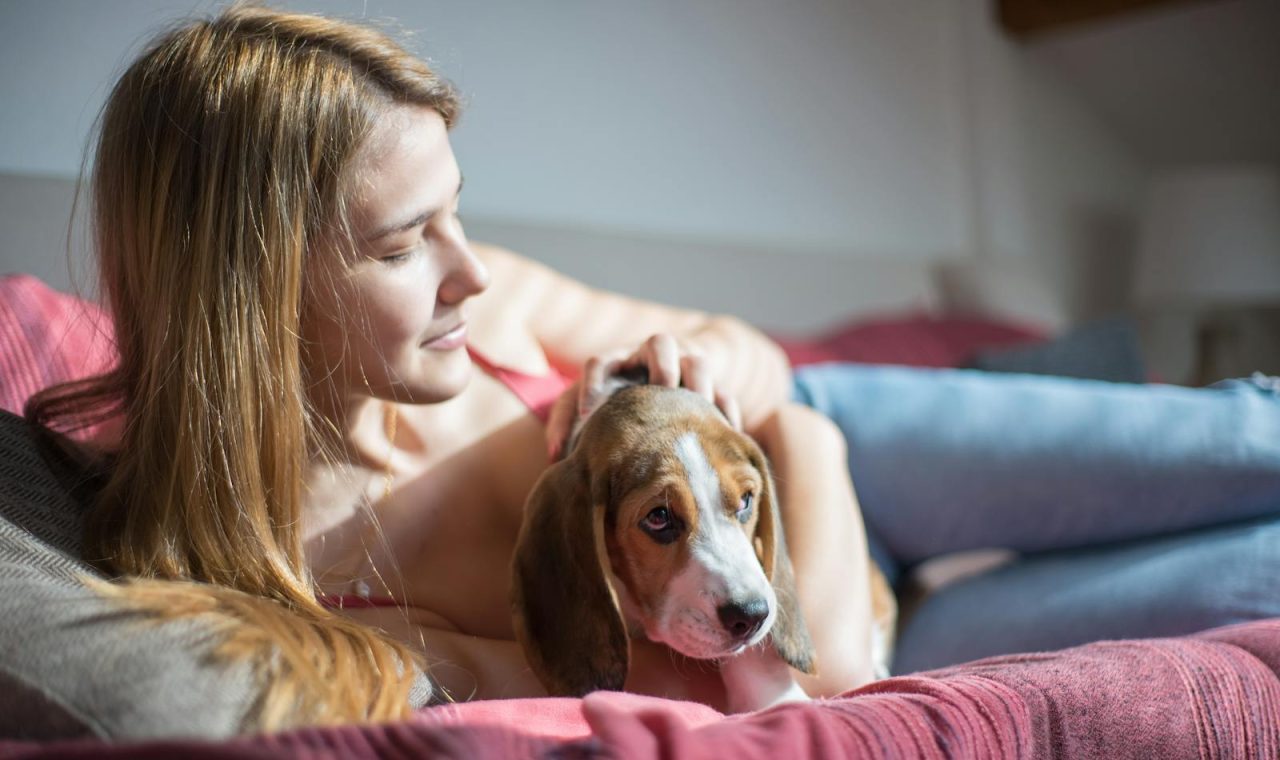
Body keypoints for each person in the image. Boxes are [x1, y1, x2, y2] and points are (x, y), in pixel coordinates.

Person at [25, 4, 1280, 735]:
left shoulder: (489, 299)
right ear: (254, 293)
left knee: (1243, 439)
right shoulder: (294, 577)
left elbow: (757, 362)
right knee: (1254, 569)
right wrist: (823, 633)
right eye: (408, 243)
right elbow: (784, 679)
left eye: (457, 212)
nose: (468, 275)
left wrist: (708, 369)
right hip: (807, 618)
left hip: (822, 445)